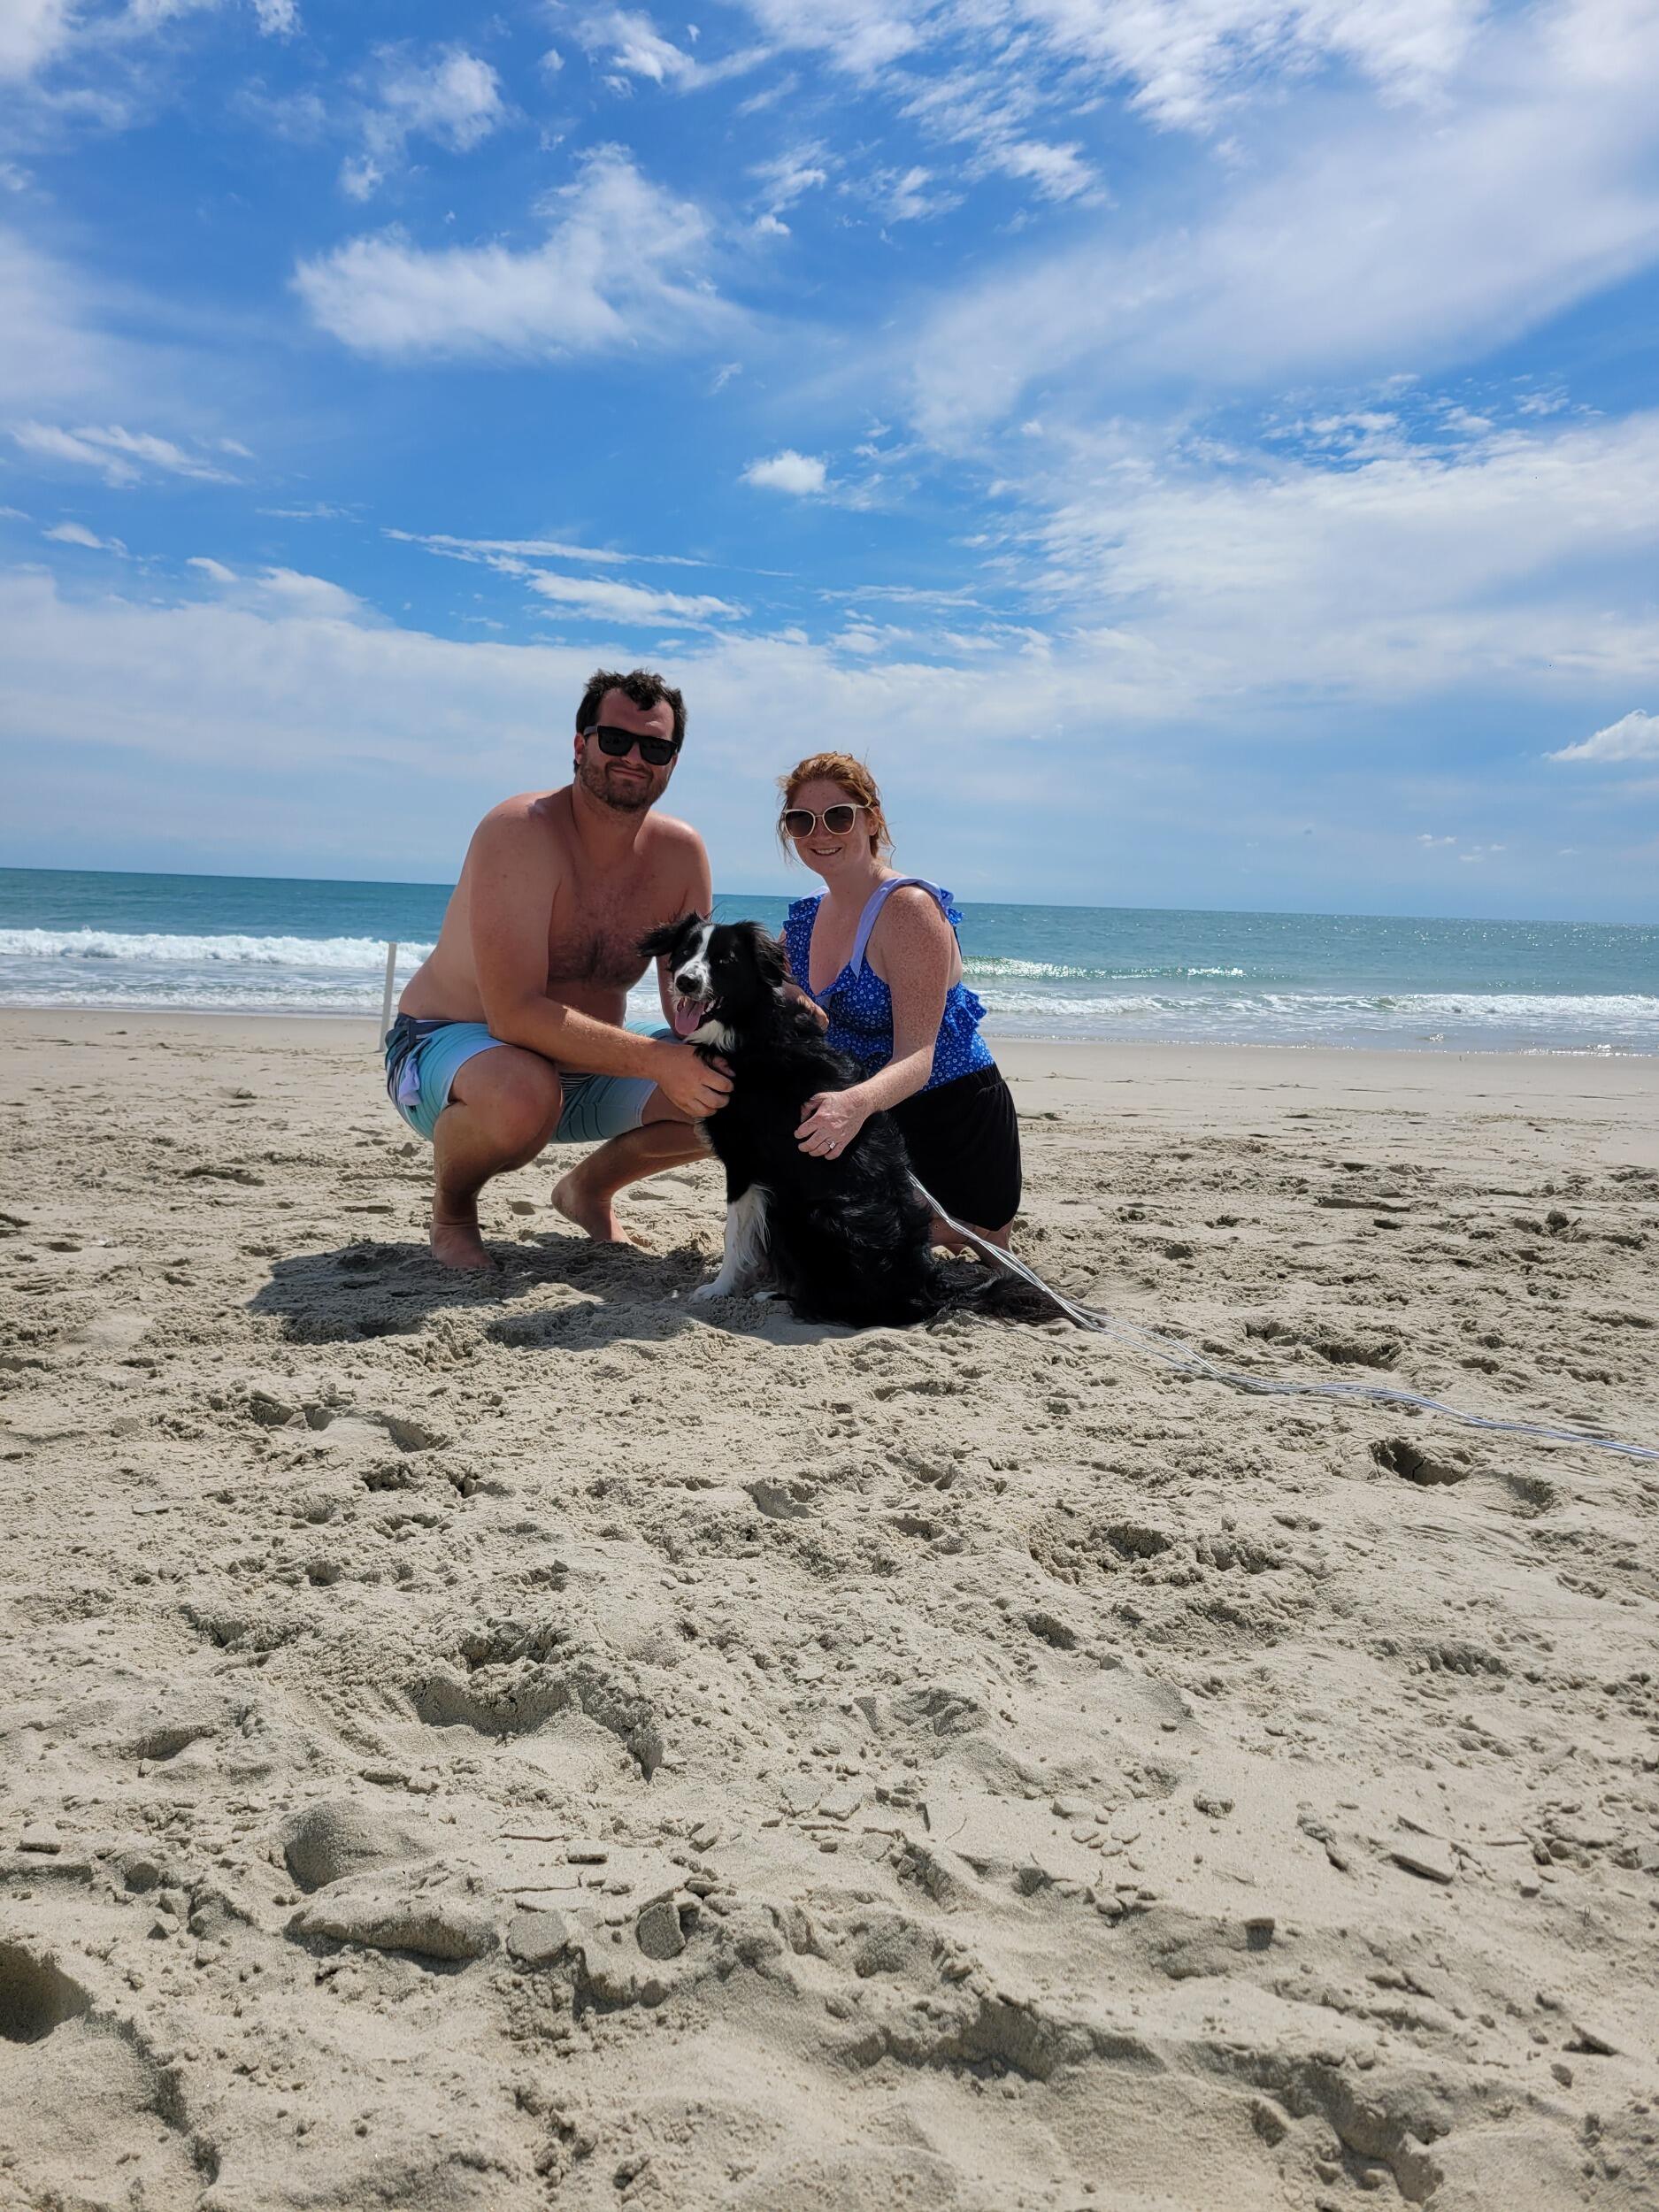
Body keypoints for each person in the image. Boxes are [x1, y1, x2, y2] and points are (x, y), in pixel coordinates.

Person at [383, 669, 731, 1270]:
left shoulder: (680, 854)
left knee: (733, 1085)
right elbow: (513, 1015)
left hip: (585, 1072)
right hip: (454, 1055)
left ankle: (586, 1191)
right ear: (580, 745)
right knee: (523, 1092)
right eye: (614, 739)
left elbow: (686, 1009)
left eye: (654, 748)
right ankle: (453, 1214)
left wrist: (771, 999)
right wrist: (655, 1061)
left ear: (673, 762)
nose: (632, 758)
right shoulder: (521, 831)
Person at [776, 752, 1021, 1249]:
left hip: (949, 1115)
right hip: (869, 1118)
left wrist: (853, 1106)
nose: (820, 833)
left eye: (839, 816)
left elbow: (918, 1057)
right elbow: (764, 979)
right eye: (801, 821)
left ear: (872, 820)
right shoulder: (805, 918)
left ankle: (978, 1235)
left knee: (857, 1244)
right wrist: (791, 993)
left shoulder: (907, 910)